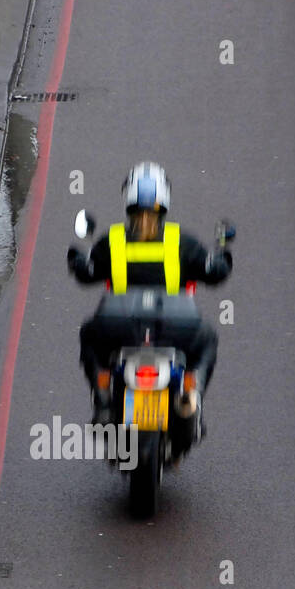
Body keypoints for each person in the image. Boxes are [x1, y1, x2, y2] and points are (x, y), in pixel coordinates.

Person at [66, 161, 231, 423]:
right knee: (208, 339)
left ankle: (102, 392)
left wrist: (76, 259)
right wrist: (223, 256)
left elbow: (87, 274)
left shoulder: (112, 240)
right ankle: (192, 390)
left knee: (88, 334)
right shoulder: (182, 242)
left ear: (127, 204)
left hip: (119, 328)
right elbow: (215, 273)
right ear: (164, 205)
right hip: (176, 327)